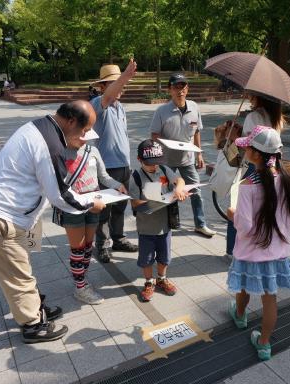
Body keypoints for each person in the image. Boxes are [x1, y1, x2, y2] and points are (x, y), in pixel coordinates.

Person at [0, 101, 106, 344]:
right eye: (85, 131)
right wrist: (90, 204)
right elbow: (60, 195)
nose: (86, 137)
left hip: (6, 215)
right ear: (72, 122)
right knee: (18, 275)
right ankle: (33, 324)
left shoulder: (43, 127)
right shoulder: (50, 145)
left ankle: (34, 306)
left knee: (20, 268)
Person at [226, 125, 290, 361]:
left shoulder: (247, 186)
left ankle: (240, 315)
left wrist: (232, 214)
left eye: (247, 148)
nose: (244, 152)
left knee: (244, 286)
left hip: (251, 253)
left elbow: (244, 227)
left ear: (255, 154)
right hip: (277, 252)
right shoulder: (286, 180)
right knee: (269, 298)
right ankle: (264, 344)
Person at [52, 130, 127, 305]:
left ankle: (82, 280)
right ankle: (80, 288)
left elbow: (103, 176)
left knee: (87, 246)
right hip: (72, 206)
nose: (83, 139)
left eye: (86, 135)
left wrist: (117, 185)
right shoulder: (59, 152)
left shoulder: (92, 150)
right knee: (77, 249)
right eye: (79, 134)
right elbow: (56, 183)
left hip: (95, 204)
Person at [150, 73, 216, 237]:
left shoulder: (194, 107)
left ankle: (200, 224)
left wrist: (199, 154)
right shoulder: (162, 111)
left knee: (196, 191)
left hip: (188, 158)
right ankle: (166, 224)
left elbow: (197, 132)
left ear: (187, 89)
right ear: (170, 90)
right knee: (165, 192)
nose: (180, 91)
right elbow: (154, 135)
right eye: (176, 87)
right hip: (167, 159)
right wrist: (163, 151)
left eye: (183, 87)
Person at [89, 59, 139, 263]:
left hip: (123, 166)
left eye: (121, 84)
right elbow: (109, 96)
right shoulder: (98, 103)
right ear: (102, 87)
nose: (120, 87)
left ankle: (118, 238)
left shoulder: (120, 107)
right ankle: (102, 245)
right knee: (104, 211)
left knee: (119, 207)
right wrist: (125, 75)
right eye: (113, 83)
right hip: (105, 170)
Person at [226, 94, 285, 258]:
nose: (250, 97)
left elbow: (251, 143)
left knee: (240, 208)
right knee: (265, 206)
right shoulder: (277, 117)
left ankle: (233, 249)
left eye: (253, 95)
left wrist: (234, 135)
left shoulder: (254, 116)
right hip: (272, 164)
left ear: (261, 97)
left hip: (254, 167)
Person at [129, 139, 188, 302]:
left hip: (165, 225)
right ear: (139, 159)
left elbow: (180, 180)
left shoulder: (163, 169)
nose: (154, 167)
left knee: (164, 255)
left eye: (156, 163)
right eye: (150, 164)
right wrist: (150, 203)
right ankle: (148, 282)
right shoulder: (135, 177)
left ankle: (161, 278)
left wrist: (178, 189)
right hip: (146, 227)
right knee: (147, 258)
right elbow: (134, 202)